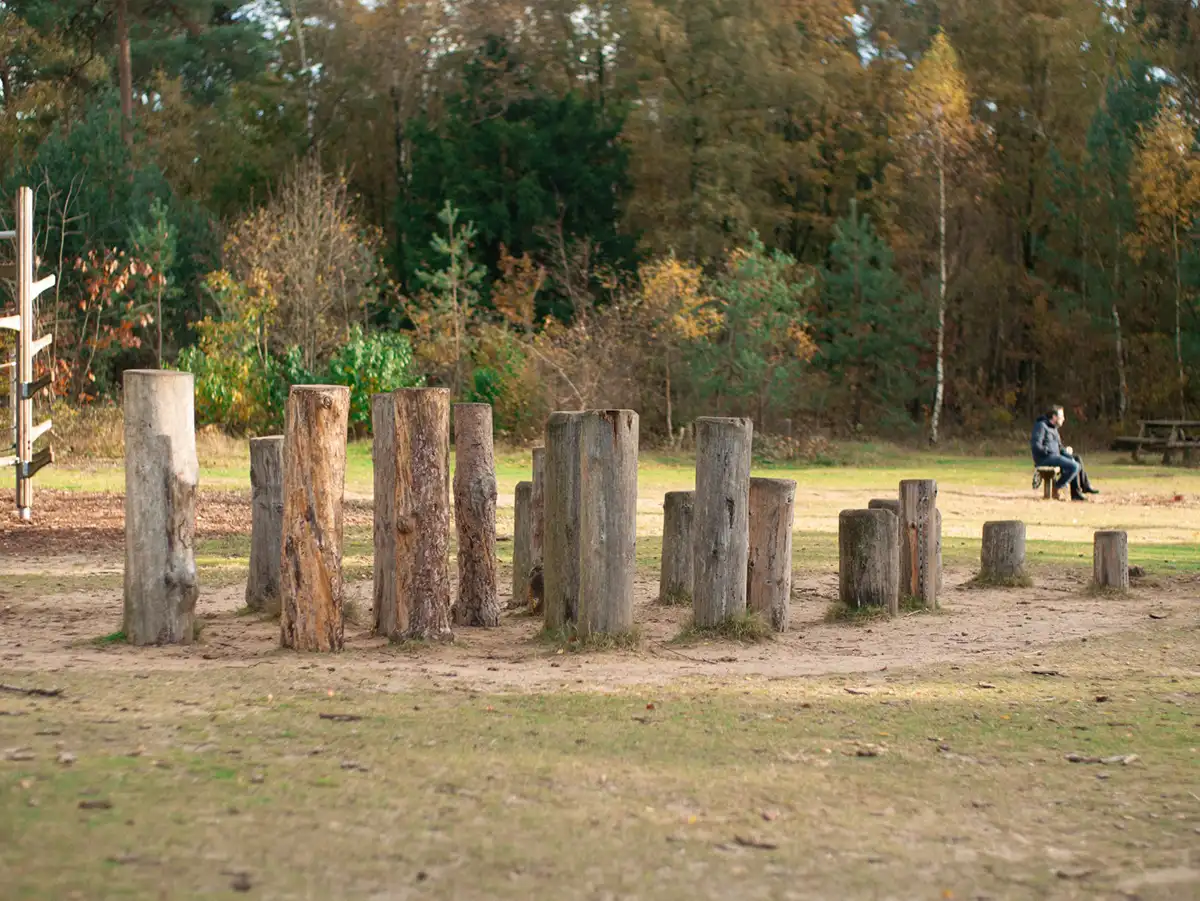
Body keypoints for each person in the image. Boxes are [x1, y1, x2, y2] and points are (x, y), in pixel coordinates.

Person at [1031, 405, 1099, 501]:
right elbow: (1036, 445)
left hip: (1055, 456)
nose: (1063, 419)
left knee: (1076, 459)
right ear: (1054, 417)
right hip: (1044, 458)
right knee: (1074, 466)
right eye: (1061, 416)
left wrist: (1066, 453)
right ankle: (1057, 487)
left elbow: (1059, 447)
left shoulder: (1054, 428)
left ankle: (1080, 490)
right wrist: (1049, 451)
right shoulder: (1041, 426)